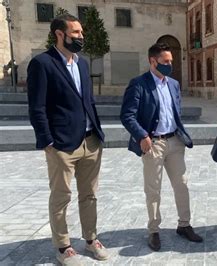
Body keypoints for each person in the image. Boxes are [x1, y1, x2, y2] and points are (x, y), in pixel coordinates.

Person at [27, 14, 108, 265]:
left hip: (90, 141)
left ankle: (91, 238)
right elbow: (36, 107)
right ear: (59, 34)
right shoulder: (42, 63)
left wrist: (97, 131)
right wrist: (47, 141)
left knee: (90, 195)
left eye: (81, 33)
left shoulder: (82, 64)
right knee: (61, 196)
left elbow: (88, 101)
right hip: (61, 144)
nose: (81, 37)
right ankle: (63, 247)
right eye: (75, 33)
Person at [120, 42, 203, 252]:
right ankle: (154, 230)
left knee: (182, 184)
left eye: (171, 61)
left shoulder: (174, 84)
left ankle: (184, 225)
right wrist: (142, 136)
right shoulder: (138, 84)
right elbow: (127, 115)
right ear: (152, 60)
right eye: (165, 61)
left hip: (175, 141)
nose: (170, 65)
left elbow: (176, 110)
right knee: (153, 189)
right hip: (153, 143)